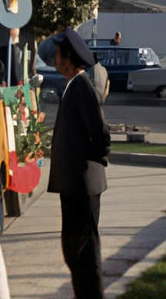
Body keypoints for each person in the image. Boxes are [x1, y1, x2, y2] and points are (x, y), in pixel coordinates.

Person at [48, 29, 110, 298]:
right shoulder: (73, 87)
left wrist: (88, 166)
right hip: (73, 184)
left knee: (83, 253)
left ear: (68, 58)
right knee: (74, 251)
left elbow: (101, 135)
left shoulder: (82, 87)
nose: (55, 59)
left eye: (58, 54)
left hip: (81, 185)